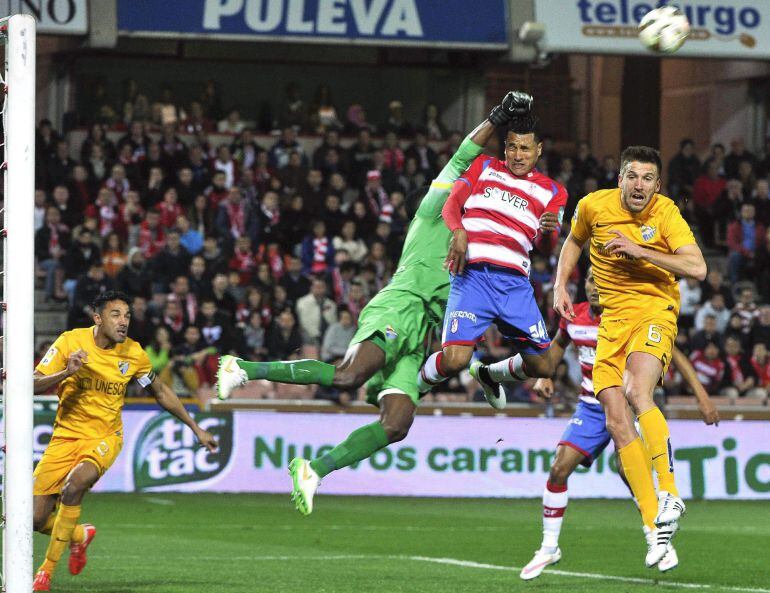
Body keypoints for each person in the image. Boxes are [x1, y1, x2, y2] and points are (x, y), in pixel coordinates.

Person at [216, 91, 538, 515]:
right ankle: (241, 368)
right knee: (349, 377)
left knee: (397, 423)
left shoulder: (481, 241)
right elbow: (462, 158)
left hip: (420, 333)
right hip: (400, 306)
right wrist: (497, 119)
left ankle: (313, 469)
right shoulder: (434, 211)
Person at [552, 145, 707, 567]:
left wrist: (642, 251)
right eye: (633, 176)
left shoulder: (666, 213)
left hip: (654, 310)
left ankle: (670, 494)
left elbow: (697, 268)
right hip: (612, 323)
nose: (640, 185)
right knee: (617, 422)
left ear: (658, 185)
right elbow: (573, 240)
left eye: (648, 179)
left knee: (639, 392)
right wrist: (560, 284)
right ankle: (655, 526)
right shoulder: (592, 206)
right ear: (619, 178)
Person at [520, 268, 719, 580]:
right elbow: (558, 343)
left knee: (628, 470)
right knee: (559, 468)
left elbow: (674, 353)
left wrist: (701, 396)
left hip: (622, 403)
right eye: (590, 280)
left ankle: (657, 536)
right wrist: (546, 373)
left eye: (601, 280)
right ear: (583, 285)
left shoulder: (627, 314)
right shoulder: (574, 315)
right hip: (590, 406)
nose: (596, 286)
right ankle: (548, 547)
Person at [31, 291, 217, 591]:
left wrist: (196, 427)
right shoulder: (70, 342)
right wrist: (67, 371)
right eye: (116, 314)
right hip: (65, 436)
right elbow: (32, 383)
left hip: (105, 437)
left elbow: (161, 392)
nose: (123, 322)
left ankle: (44, 574)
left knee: (75, 485)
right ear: (98, 318)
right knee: (35, 520)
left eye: (127, 315)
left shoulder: (134, 354)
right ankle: (79, 535)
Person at [415, 111, 566, 401]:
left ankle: (489, 374)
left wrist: (549, 233)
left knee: (543, 365)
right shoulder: (483, 166)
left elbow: (546, 249)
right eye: (512, 147)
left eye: (525, 148)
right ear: (504, 147)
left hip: (515, 286)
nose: (518, 155)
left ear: (539, 149)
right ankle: (417, 386)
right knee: (455, 360)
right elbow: (451, 205)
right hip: (472, 276)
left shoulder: (554, 192)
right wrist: (458, 231)